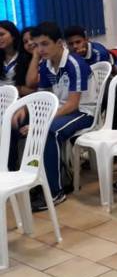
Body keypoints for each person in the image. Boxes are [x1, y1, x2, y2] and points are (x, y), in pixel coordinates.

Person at [16, 23, 94, 210]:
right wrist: (26, 111)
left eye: (45, 44)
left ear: (59, 43)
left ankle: (55, 192)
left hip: (83, 112)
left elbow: (73, 104)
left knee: (50, 132)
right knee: (21, 124)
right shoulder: (46, 65)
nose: (40, 50)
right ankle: (35, 180)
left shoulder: (74, 64)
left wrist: (41, 122)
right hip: (61, 110)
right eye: (37, 45)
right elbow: (43, 97)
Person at [0, 21, 34, 95]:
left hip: (18, 98)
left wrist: (18, 89)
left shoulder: (26, 55)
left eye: (2, 34)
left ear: (13, 35)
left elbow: (31, 89)